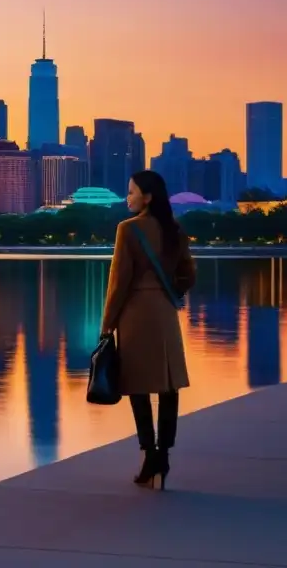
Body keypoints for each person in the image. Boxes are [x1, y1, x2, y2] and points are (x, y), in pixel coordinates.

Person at [100, 170, 196, 490]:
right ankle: (163, 457)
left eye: (131, 192)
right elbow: (188, 274)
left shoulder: (127, 230)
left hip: (136, 314)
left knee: (137, 387)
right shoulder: (175, 230)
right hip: (165, 313)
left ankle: (149, 455)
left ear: (148, 196)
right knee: (167, 387)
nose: (127, 197)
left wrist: (107, 325)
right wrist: (171, 291)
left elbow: (118, 283)